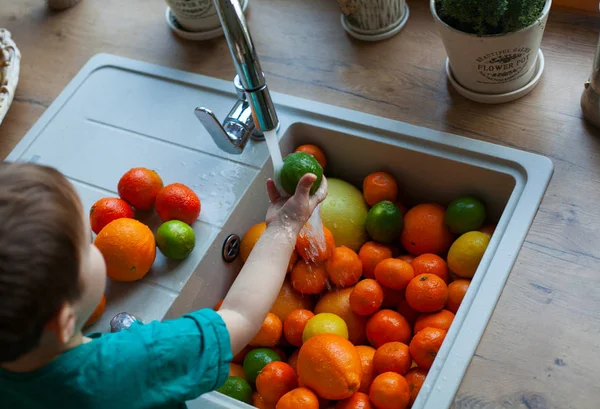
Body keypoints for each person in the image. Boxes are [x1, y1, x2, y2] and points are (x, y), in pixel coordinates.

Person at [0, 162, 327, 408]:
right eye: (87, 244)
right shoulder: (140, 359)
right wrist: (286, 224)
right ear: (63, 319)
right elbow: (242, 314)